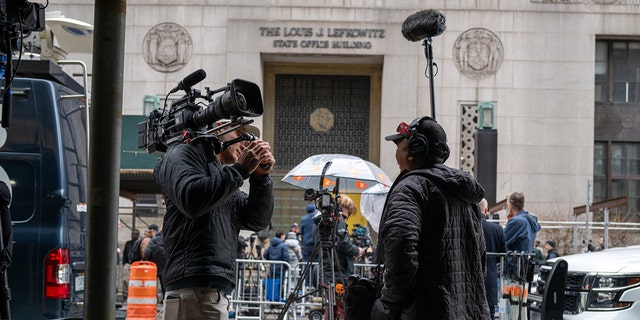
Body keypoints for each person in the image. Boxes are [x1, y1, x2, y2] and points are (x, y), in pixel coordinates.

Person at [154, 119, 275, 320]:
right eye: (242, 136)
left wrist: (260, 178)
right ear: (220, 126)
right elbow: (192, 199)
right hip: (196, 289)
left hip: (207, 292)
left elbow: (256, 220)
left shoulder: (221, 175)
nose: (246, 145)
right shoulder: (183, 153)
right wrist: (240, 170)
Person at [372, 116, 490, 320]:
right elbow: (480, 258)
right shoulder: (465, 195)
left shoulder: (410, 188)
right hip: (469, 310)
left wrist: (390, 302)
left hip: (424, 310)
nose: (396, 153)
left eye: (399, 145)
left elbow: (401, 247)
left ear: (414, 149)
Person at [479, 198, 506, 320]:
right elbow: (502, 255)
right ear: (486, 210)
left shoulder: (464, 227)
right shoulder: (497, 229)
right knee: (489, 315)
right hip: (489, 279)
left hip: (466, 281)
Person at [144, 228, 166, 297]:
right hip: (166, 268)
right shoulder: (169, 239)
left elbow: (147, 253)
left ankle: (152, 300)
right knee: (164, 287)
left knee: (152, 285)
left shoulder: (154, 239)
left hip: (154, 267)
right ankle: (165, 301)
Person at [121, 229, 140, 300]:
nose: (133, 235)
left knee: (136, 280)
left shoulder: (139, 242)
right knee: (125, 279)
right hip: (128, 263)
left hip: (136, 264)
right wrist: (124, 262)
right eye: (132, 234)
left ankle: (134, 294)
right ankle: (125, 295)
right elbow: (125, 253)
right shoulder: (128, 243)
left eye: (135, 234)